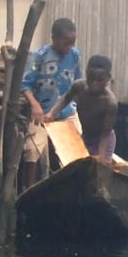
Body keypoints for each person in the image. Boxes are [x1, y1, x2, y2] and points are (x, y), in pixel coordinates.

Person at [20, 17, 81, 185]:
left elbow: (77, 83)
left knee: (77, 152)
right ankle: (29, 189)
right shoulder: (39, 57)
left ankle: (73, 187)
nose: (69, 47)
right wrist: (35, 105)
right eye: (66, 43)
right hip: (42, 112)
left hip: (67, 111)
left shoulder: (75, 55)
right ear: (54, 38)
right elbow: (24, 84)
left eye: (72, 43)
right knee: (32, 151)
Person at [48, 54, 119, 162]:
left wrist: (101, 158)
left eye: (100, 80)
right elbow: (66, 98)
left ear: (108, 78)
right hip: (85, 136)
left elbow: (105, 133)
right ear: (86, 73)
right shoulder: (79, 86)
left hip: (102, 140)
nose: (94, 83)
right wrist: (52, 114)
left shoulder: (110, 102)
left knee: (99, 170)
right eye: (91, 78)